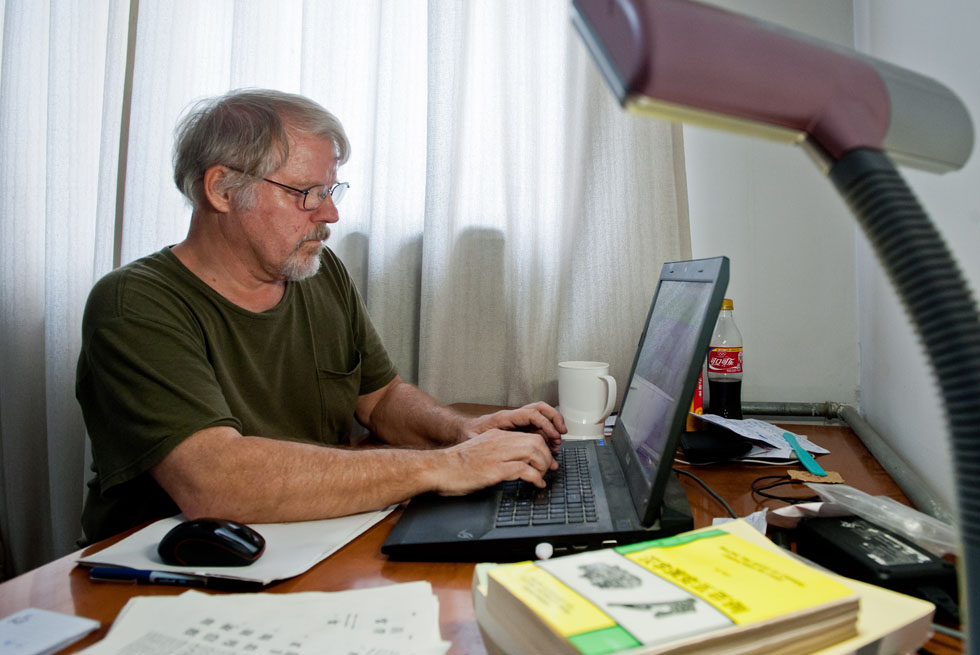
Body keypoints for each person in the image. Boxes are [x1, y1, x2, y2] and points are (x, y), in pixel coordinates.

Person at [75, 88, 565, 544]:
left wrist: (460, 432)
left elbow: (380, 400)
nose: (330, 214)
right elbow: (216, 482)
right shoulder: (134, 304)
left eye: (332, 191)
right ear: (222, 189)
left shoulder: (318, 270)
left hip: (310, 535)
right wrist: (446, 466)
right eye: (307, 192)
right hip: (169, 571)